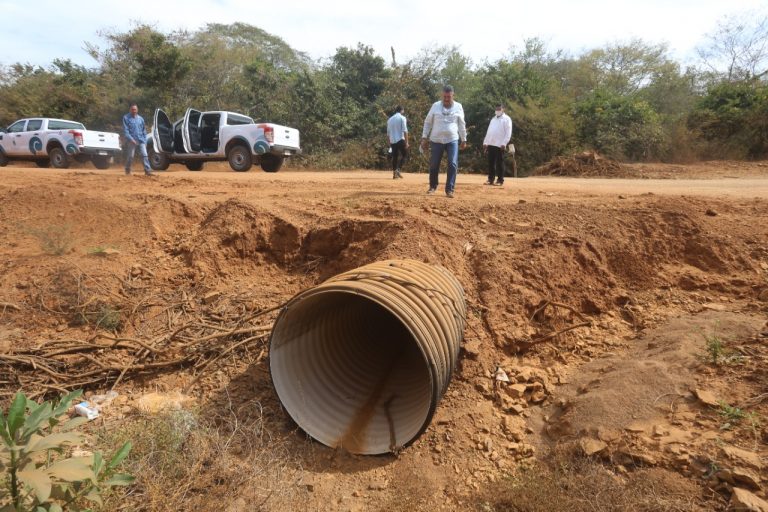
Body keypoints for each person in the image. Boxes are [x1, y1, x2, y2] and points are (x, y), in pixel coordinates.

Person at [421, 85, 467, 198]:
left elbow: (461, 124)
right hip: (436, 140)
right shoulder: (435, 106)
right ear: (442, 95)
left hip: (452, 140)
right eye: (445, 96)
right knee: (434, 164)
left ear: (453, 95)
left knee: (452, 163)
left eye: (449, 96)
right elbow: (427, 122)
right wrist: (424, 137)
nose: (446, 98)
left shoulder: (458, 106)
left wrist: (464, 139)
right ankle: (432, 187)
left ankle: (449, 189)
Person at [483, 104, 513, 186]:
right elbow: (489, 131)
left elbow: (508, 133)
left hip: (500, 144)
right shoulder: (493, 119)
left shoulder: (507, 119)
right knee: (491, 162)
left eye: (499, 109)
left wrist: (504, 143)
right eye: (496, 109)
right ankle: (490, 179)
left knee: (500, 163)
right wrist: (485, 142)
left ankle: (500, 180)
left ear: (503, 109)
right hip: (491, 143)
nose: (497, 110)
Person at [122, 103, 154, 176]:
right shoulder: (126, 118)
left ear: (137, 110)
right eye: (132, 109)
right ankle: (127, 169)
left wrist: (145, 140)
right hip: (131, 140)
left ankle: (147, 171)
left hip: (141, 139)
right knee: (131, 156)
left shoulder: (141, 119)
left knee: (144, 155)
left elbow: (144, 131)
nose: (134, 111)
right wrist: (131, 139)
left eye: (135, 109)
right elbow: (126, 131)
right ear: (130, 110)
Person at [387, 105, 408, 179]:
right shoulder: (402, 118)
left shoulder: (390, 119)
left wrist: (389, 143)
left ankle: (394, 174)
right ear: (401, 110)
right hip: (400, 139)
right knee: (405, 155)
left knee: (395, 157)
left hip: (393, 141)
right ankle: (398, 170)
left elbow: (388, 133)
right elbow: (405, 131)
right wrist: (407, 142)